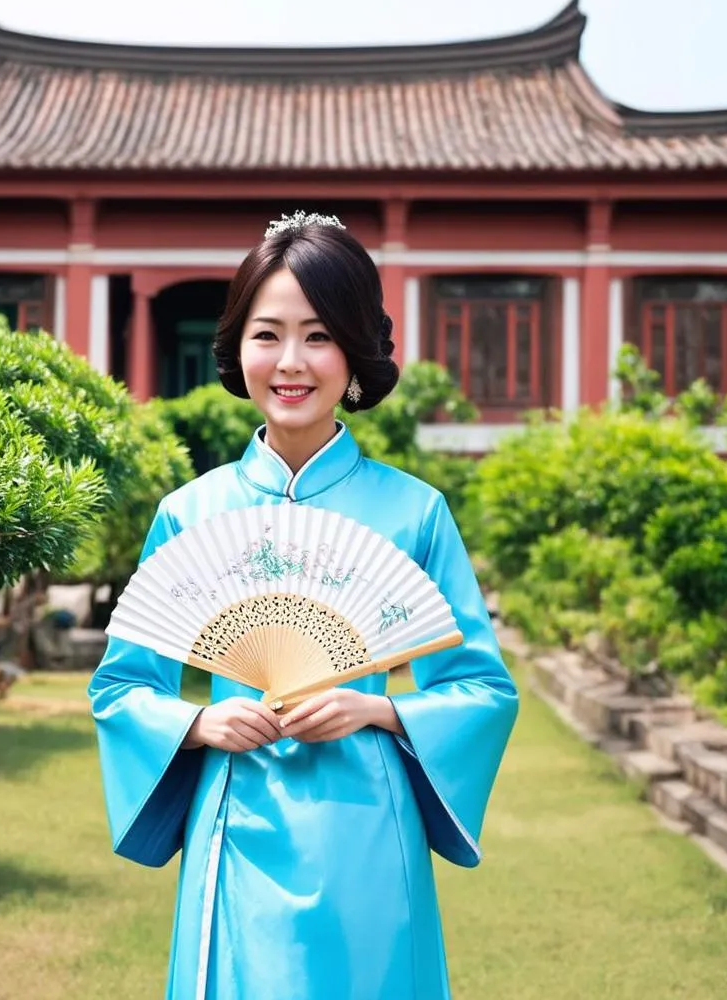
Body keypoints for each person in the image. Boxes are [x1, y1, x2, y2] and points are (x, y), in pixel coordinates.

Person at [88, 211, 519, 1000]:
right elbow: (120, 687)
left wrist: (376, 711)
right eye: (268, 334)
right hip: (234, 819)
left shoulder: (415, 513)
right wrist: (196, 722)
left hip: (366, 827)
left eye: (318, 336)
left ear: (353, 351)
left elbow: (482, 690)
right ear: (238, 347)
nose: (291, 362)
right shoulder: (190, 513)